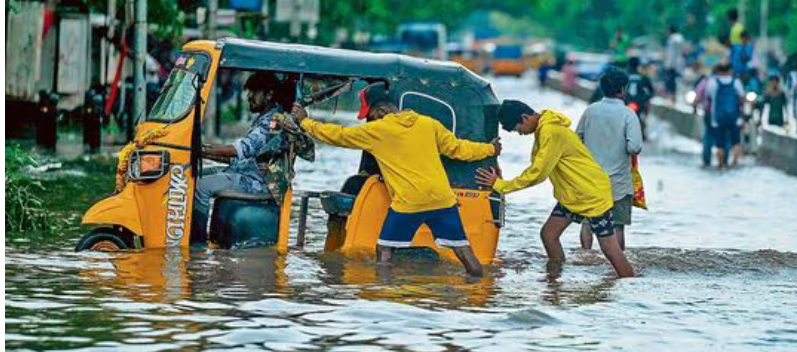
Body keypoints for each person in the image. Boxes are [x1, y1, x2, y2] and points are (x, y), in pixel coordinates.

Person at [286, 83, 501, 277]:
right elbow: (458, 148)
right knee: (463, 251)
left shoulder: (379, 130)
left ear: (380, 111)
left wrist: (305, 121)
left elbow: (338, 135)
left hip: (410, 202)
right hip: (444, 199)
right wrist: (490, 148)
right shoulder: (427, 123)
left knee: (384, 249)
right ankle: (480, 292)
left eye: (369, 115)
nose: (370, 120)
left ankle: (385, 294)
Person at [474, 100, 635, 278]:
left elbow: (538, 173)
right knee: (549, 235)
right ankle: (555, 281)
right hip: (573, 195)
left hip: (590, 194)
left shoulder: (551, 131)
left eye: (517, 129)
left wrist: (500, 185)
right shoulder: (544, 128)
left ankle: (630, 284)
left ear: (525, 117)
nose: (519, 134)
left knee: (610, 249)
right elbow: (537, 166)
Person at [194, 71, 287, 242]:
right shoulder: (265, 118)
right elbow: (245, 157)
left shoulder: (272, 121)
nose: (249, 96)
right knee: (195, 175)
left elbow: (241, 149)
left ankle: (196, 242)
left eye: (254, 92)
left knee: (199, 186)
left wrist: (201, 149)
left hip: (258, 182)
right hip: (247, 172)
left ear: (269, 95)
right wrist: (205, 151)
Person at [575, 68, 643, 252]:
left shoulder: (590, 111)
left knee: (588, 222)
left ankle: (586, 258)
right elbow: (634, 147)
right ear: (622, 89)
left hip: (590, 179)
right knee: (617, 226)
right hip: (618, 181)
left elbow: (576, 140)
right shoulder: (628, 114)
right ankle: (617, 266)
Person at [705, 62, 744, 168]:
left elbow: (707, 96)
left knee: (720, 143)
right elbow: (742, 97)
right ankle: (734, 162)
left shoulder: (712, 82)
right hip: (734, 117)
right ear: (729, 70)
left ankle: (721, 163)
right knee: (735, 141)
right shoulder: (736, 81)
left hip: (718, 117)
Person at [624, 56, 655, 138]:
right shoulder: (643, 77)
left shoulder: (624, 76)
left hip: (626, 101)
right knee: (643, 115)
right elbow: (651, 91)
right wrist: (646, 98)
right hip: (640, 102)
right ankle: (643, 132)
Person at [693, 64, 715, 167]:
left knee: (708, 136)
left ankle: (707, 160)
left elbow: (697, 98)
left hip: (709, 113)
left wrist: (695, 109)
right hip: (725, 115)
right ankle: (723, 161)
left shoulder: (706, 82)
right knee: (724, 137)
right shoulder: (732, 81)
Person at [664, 25, 685, 102]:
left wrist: (669, 64)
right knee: (677, 80)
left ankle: (672, 97)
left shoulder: (672, 39)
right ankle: (675, 97)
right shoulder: (680, 38)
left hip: (673, 63)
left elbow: (672, 53)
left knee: (671, 81)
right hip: (679, 63)